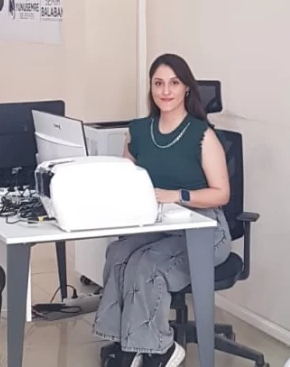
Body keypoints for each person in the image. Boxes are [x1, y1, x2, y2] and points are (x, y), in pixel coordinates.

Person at [92, 53, 232, 367]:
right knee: (118, 254)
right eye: (158, 83)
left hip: (205, 230)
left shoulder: (202, 135)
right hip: (157, 223)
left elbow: (222, 194)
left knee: (147, 265)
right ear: (151, 88)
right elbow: (127, 179)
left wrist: (176, 196)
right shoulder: (138, 131)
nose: (165, 91)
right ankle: (126, 344)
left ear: (186, 88)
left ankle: (161, 349)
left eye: (174, 83)